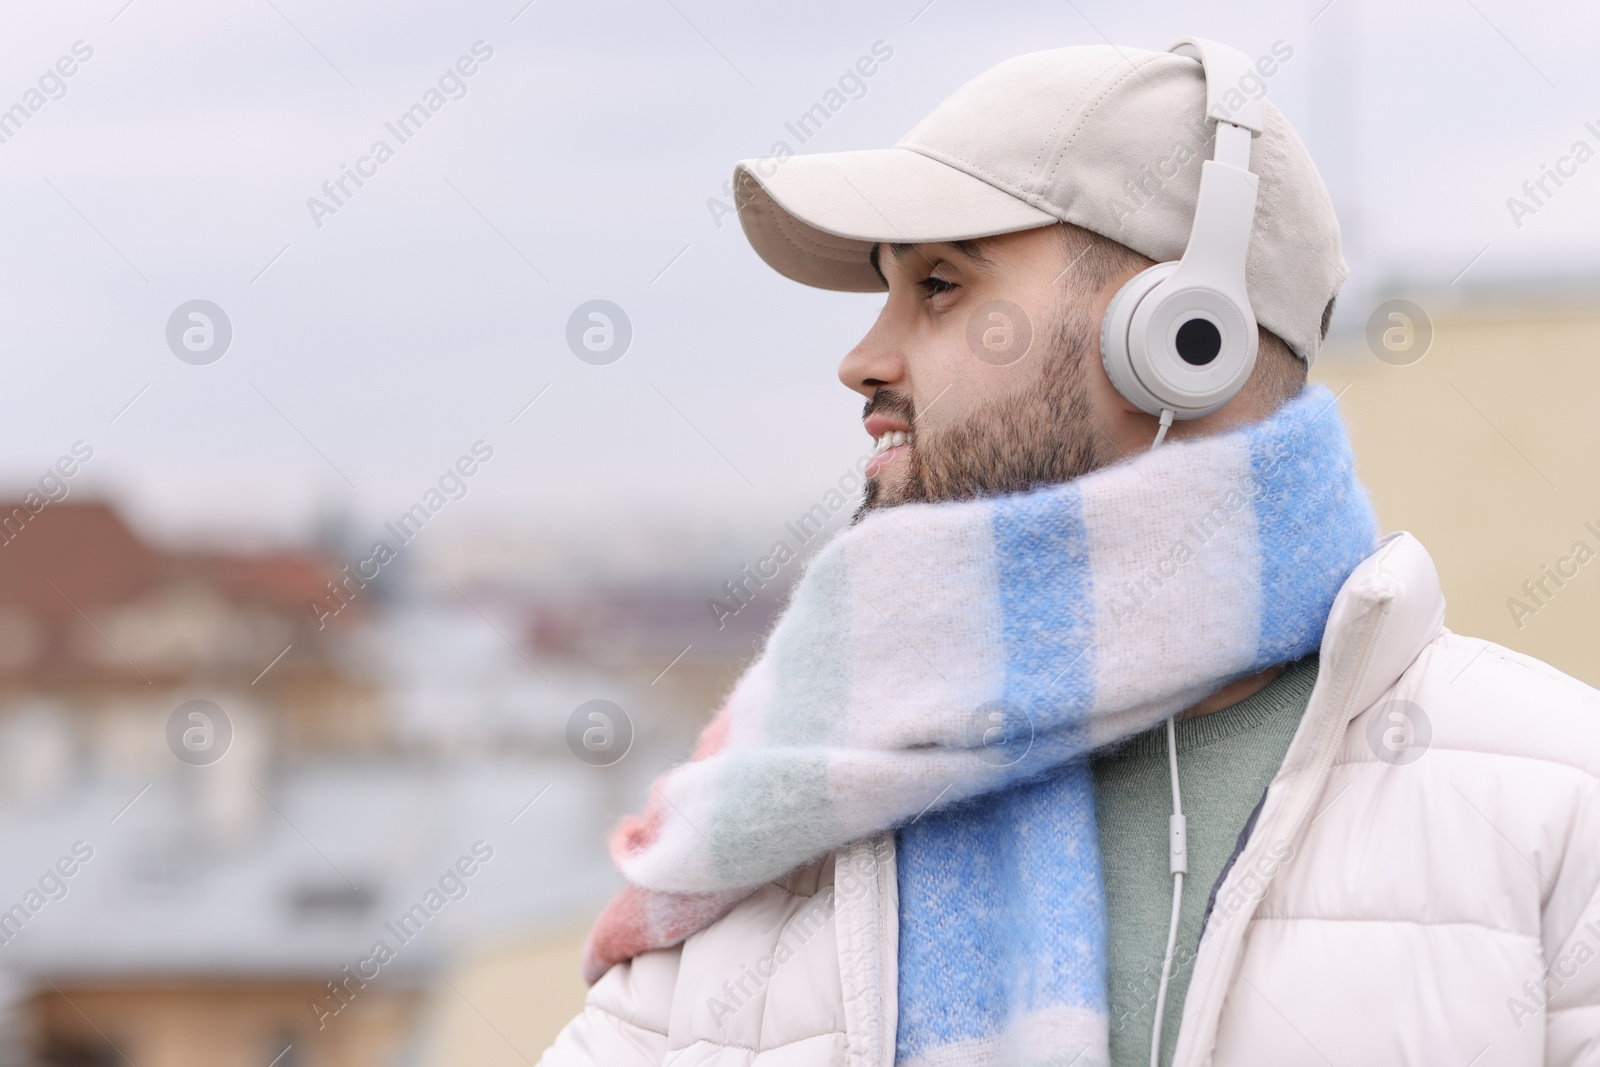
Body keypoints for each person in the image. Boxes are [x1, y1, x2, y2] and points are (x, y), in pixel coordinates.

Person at [538, 39, 1600, 1067]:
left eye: (940, 286)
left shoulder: (1556, 804)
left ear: (1184, 337)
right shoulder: (766, 813)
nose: (861, 360)